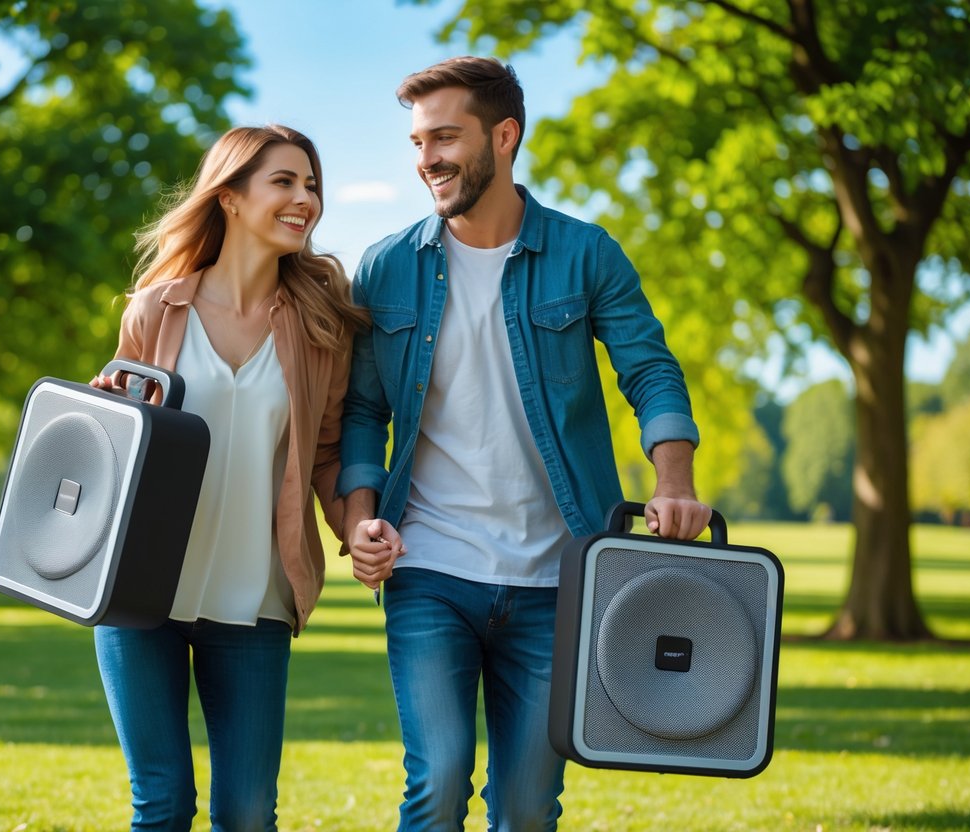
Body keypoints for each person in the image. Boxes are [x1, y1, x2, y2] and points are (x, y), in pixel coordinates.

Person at [338, 57, 714, 831]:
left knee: (526, 806)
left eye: (444, 137)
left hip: (559, 577)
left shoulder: (586, 254)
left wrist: (672, 479)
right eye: (417, 142)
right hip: (430, 569)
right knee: (435, 783)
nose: (426, 160)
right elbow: (361, 411)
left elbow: (647, 369)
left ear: (503, 136)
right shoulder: (385, 268)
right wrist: (359, 521)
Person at [90, 124, 366, 832]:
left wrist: (354, 527)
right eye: (284, 182)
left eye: (311, 185)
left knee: (246, 813)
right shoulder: (157, 309)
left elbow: (326, 454)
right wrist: (105, 414)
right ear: (231, 197)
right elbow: (113, 441)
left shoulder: (317, 326)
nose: (305, 198)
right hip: (139, 594)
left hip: (255, 601)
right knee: (161, 805)